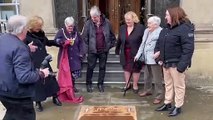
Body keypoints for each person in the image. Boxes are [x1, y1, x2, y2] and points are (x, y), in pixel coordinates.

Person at [0, 15, 49, 120]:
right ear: (22, 30)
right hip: (18, 96)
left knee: (12, 115)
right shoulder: (19, 48)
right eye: (26, 27)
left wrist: (27, 48)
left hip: (4, 91)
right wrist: (41, 73)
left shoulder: (2, 39)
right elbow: (24, 77)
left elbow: (8, 55)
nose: (27, 30)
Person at [154, 7, 194, 117]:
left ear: (174, 15)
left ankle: (178, 106)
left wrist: (182, 65)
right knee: (168, 84)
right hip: (165, 63)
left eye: (167, 15)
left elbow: (188, 49)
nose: (165, 17)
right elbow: (159, 44)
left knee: (179, 86)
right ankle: (167, 103)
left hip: (177, 64)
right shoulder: (166, 29)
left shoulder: (185, 28)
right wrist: (158, 58)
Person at [25, 16, 62, 112]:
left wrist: (57, 42)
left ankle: (55, 97)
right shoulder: (26, 36)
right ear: (32, 26)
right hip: (34, 62)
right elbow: (22, 48)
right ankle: (38, 102)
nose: (40, 28)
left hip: (44, 61)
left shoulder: (41, 34)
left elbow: (47, 42)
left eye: (40, 26)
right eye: (38, 26)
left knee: (51, 80)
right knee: (38, 83)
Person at [82, 6, 116, 93]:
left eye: (95, 17)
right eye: (92, 17)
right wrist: (86, 50)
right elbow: (84, 38)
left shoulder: (107, 22)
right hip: (92, 51)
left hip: (103, 51)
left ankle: (100, 84)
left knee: (102, 68)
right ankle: (88, 84)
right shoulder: (88, 23)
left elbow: (112, 36)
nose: (93, 19)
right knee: (90, 67)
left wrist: (109, 46)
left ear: (99, 15)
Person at [134, 16, 164, 104]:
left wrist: (159, 53)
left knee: (157, 78)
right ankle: (148, 90)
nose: (148, 25)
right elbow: (142, 44)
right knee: (147, 76)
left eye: (150, 23)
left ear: (156, 24)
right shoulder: (147, 31)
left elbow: (163, 45)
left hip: (155, 59)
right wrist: (138, 54)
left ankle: (159, 95)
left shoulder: (161, 31)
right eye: (148, 23)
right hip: (147, 58)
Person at [54, 16, 83, 103]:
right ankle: (66, 90)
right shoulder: (61, 32)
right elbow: (56, 40)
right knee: (66, 75)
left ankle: (72, 87)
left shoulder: (76, 32)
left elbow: (81, 42)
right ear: (65, 25)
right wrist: (62, 42)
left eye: (72, 26)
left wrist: (81, 53)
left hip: (75, 57)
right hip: (65, 58)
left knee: (73, 75)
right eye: (69, 26)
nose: (71, 28)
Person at [115, 11, 145, 94]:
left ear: (134, 19)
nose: (127, 21)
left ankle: (135, 85)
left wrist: (143, 52)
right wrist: (117, 50)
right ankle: (127, 85)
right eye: (126, 19)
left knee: (136, 69)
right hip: (125, 52)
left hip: (136, 52)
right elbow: (119, 40)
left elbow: (144, 41)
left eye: (129, 19)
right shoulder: (122, 28)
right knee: (126, 68)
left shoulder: (140, 28)